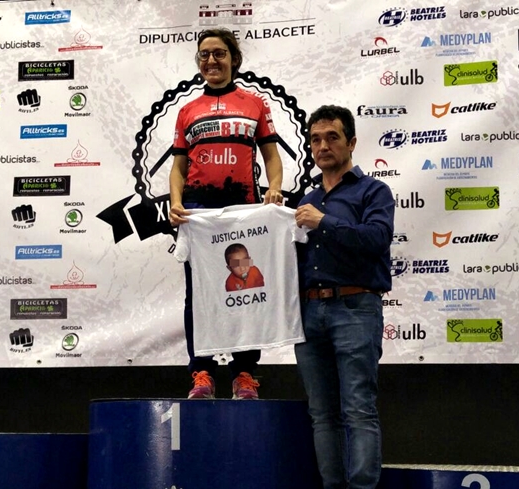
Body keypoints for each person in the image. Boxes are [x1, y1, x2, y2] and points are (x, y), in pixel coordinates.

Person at [168, 27, 284, 400]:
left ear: (234, 59)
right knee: (200, 294)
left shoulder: (255, 104)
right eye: (204, 54)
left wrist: (274, 187)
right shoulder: (187, 111)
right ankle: (201, 373)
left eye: (219, 53)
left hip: (243, 209)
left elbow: (271, 156)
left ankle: (244, 373)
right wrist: (175, 201)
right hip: (199, 212)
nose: (211, 60)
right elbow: (178, 167)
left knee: (246, 289)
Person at [294, 105, 394, 489]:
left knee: (358, 409)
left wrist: (324, 222)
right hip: (309, 311)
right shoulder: (306, 200)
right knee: (322, 415)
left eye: (332, 137)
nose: (323, 146)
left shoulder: (374, 191)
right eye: (315, 139)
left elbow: (377, 239)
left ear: (351, 142)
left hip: (355, 306)